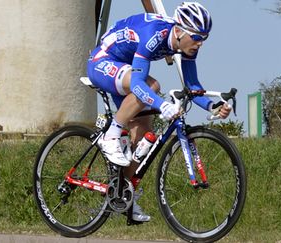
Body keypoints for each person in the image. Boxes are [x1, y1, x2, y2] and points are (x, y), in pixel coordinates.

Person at [86, 2, 232, 224]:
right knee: (152, 86)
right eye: (196, 37)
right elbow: (137, 84)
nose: (200, 43)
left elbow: (192, 86)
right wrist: (163, 105)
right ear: (180, 30)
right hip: (103, 62)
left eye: (205, 38)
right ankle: (111, 135)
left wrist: (213, 106)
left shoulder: (186, 45)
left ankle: (126, 197)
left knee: (144, 140)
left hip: (125, 69)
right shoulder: (156, 35)